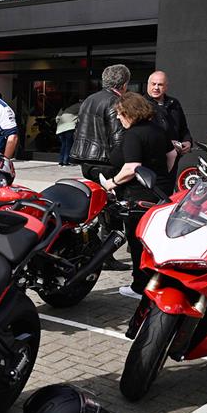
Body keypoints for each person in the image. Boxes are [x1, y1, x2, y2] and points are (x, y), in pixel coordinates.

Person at [101, 92, 176, 299]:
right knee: (152, 241)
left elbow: (132, 167)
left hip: (138, 196)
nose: (117, 117)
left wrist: (111, 182)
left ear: (129, 113)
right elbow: (172, 154)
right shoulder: (157, 129)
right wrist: (163, 176)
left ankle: (140, 286)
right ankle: (154, 281)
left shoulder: (133, 134)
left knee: (137, 242)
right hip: (159, 192)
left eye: (119, 113)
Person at [70, 64, 131, 271]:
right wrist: (125, 164)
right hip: (105, 162)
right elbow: (118, 138)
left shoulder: (90, 99)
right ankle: (105, 255)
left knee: (99, 206)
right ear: (123, 84)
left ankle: (95, 248)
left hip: (87, 161)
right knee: (112, 210)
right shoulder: (115, 101)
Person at [146, 70, 192, 181]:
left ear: (166, 87)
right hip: (151, 162)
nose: (156, 88)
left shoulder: (174, 103)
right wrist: (167, 143)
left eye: (160, 84)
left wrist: (188, 141)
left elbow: (183, 128)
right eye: (153, 84)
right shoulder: (141, 104)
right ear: (148, 85)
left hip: (173, 160)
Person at [55, 98, 80, 166]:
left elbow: (57, 119)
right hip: (69, 127)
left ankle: (61, 162)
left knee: (63, 145)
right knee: (68, 145)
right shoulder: (78, 106)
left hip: (60, 129)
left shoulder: (63, 108)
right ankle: (66, 162)